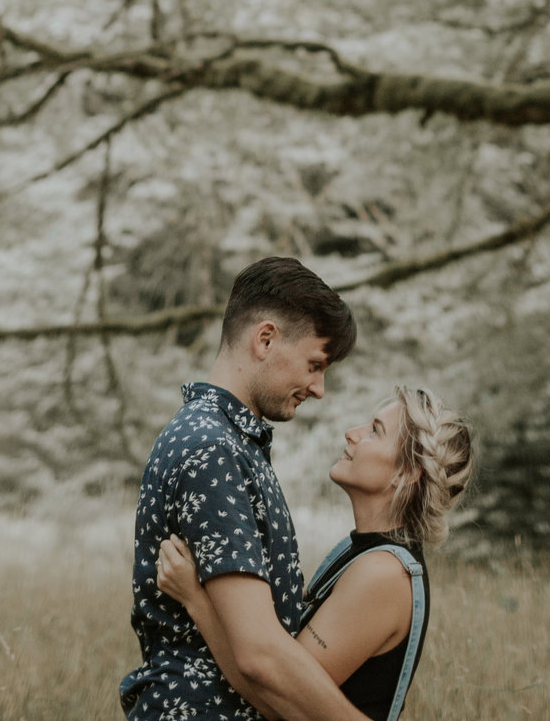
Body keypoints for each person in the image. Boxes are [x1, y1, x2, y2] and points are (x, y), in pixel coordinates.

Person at [119, 257, 366, 721]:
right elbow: (258, 655)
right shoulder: (213, 449)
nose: (319, 389)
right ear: (266, 339)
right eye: (315, 365)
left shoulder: (222, 440)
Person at [157, 388, 474, 721]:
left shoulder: (384, 572)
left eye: (375, 431)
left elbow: (278, 696)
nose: (352, 434)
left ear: (406, 473)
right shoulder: (362, 552)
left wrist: (195, 599)